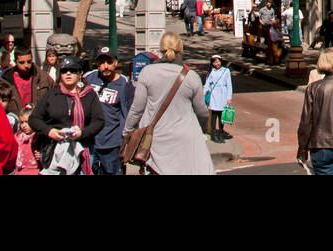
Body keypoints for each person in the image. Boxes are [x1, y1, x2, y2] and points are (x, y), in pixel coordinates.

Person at [122, 32, 215, 175]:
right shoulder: (191, 77)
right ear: (181, 49)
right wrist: (203, 128)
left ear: (161, 49)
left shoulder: (147, 72)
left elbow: (137, 108)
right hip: (186, 139)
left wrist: (127, 131)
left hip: (155, 140)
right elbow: (201, 111)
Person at [29, 55, 104, 175]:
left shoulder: (89, 94)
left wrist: (82, 133)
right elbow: (34, 119)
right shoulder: (51, 95)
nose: (68, 73)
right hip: (54, 150)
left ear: (80, 73)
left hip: (83, 149)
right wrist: (49, 131)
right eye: (64, 71)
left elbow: (99, 121)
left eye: (73, 70)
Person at [84, 47, 135, 175]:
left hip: (112, 144)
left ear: (115, 63)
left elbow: (127, 114)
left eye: (109, 62)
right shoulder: (89, 78)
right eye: (101, 63)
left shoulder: (124, 84)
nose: (105, 66)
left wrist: (126, 140)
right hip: (90, 141)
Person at [3, 47, 54, 114]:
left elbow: (53, 101)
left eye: (29, 62)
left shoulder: (44, 78)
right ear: (15, 62)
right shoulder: (6, 80)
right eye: (22, 63)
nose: (26, 65)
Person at [203, 53, 234, 143]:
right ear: (212, 63)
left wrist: (229, 97)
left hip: (223, 95)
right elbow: (207, 83)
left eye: (218, 62)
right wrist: (204, 92)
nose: (217, 64)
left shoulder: (226, 71)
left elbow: (229, 85)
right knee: (214, 115)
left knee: (222, 116)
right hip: (214, 95)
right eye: (215, 62)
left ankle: (220, 133)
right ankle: (213, 134)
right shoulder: (211, 72)